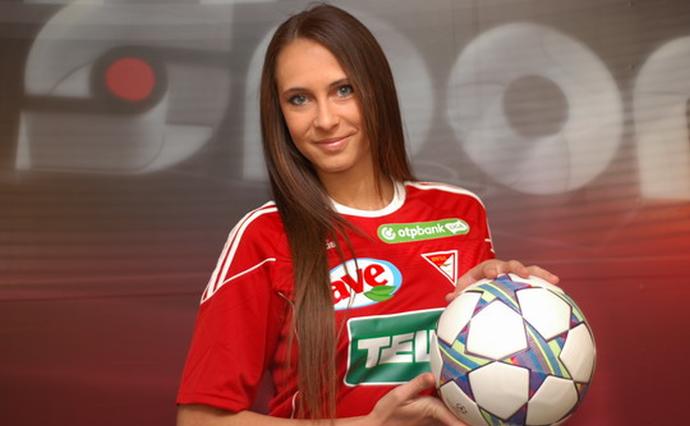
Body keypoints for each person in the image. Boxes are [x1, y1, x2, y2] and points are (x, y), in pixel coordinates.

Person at [176, 4, 559, 425]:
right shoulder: (264, 237)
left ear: (376, 89)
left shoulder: (460, 213)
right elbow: (197, 420)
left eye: (343, 90)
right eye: (299, 99)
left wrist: (509, 301)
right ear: (279, 113)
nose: (325, 119)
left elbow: (490, 381)